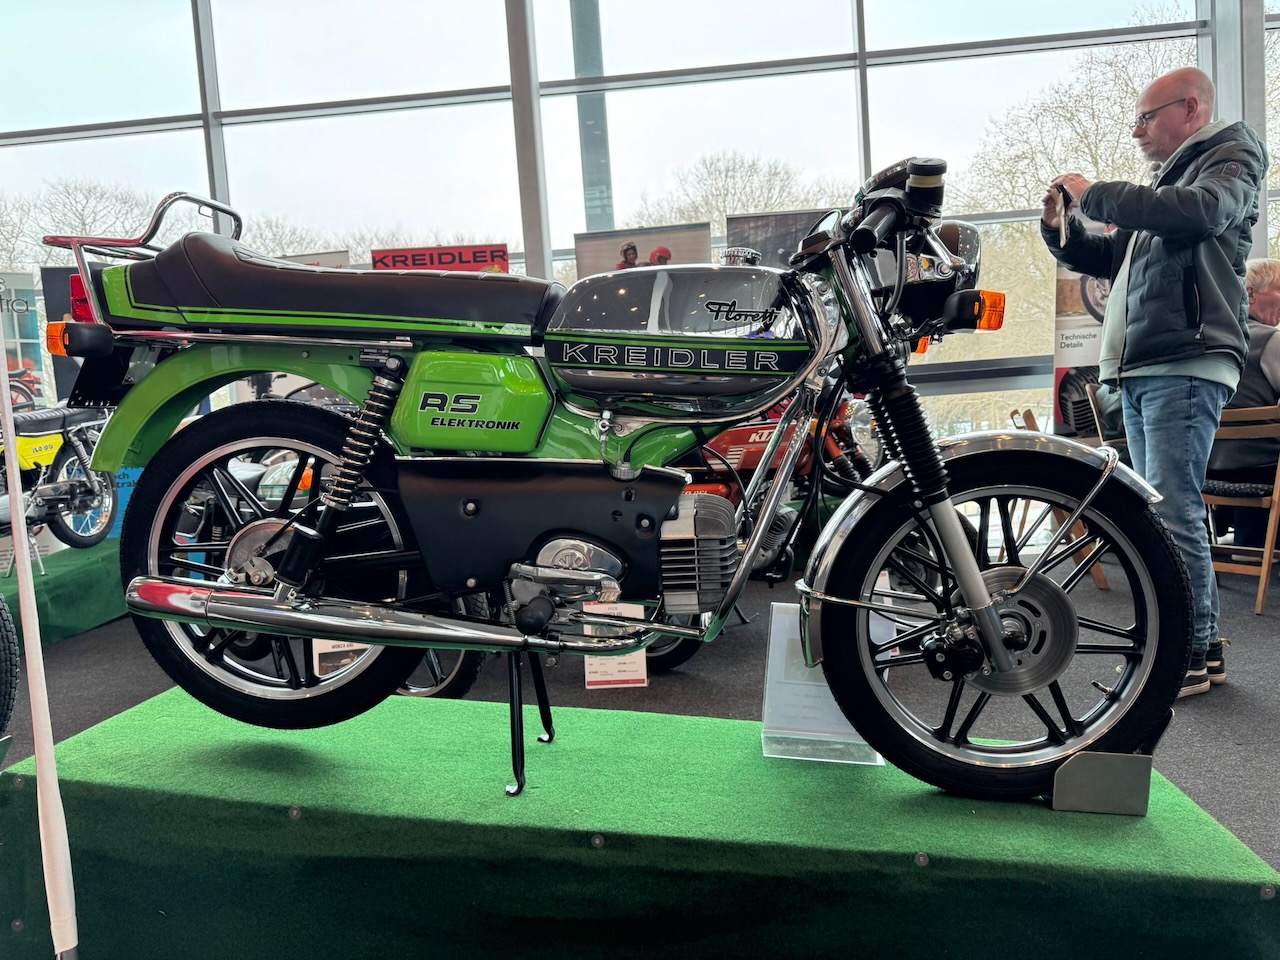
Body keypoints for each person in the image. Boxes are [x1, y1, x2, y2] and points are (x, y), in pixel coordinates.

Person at [1040, 66, 1268, 698]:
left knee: (1172, 509)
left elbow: (1202, 213)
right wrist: (1061, 227)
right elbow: (1109, 258)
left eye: (1145, 118)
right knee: (1166, 509)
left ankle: (1185, 654)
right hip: (1149, 363)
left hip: (1184, 359)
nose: (1137, 132)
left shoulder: (1231, 157)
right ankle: (1202, 648)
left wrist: (1096, 194)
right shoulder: (1167, 187)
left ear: (1190, 109)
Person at [1206, 258, 1280, 547]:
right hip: (1260, 466)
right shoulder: (1269, 340)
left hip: (1208, 465)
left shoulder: (1209, 338)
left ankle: (1246, 544)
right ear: (1250, 294)